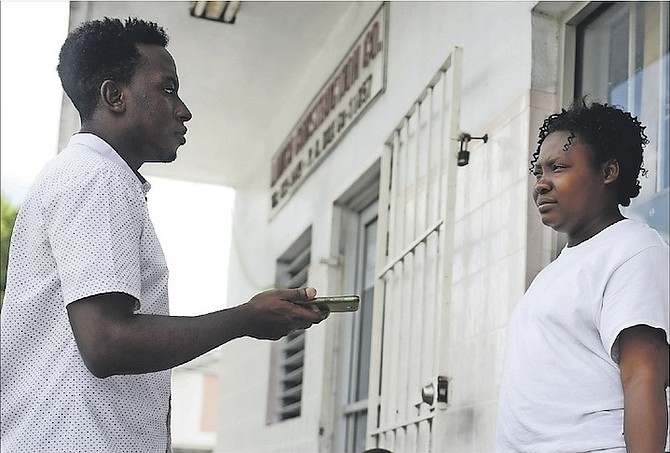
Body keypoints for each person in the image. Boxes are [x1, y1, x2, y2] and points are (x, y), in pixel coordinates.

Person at [0, 17, 328, 453]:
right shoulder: (98, 178)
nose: (183, 109)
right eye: (167, 88)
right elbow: (107, 343)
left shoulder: (82, 175)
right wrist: (245, 319)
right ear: (114, 96)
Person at [495, 100, 669, 452]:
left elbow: (643, 378)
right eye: (539, 172)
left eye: (557, 168)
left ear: (608, 172)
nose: (541, 185)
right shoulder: (553, 273)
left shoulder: (633, 248)